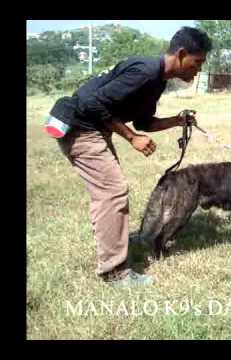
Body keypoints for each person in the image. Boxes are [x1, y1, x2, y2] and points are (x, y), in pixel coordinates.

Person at [49, 27, 212, 287]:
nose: (199, 70)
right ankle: (114, 272)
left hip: (94, 128)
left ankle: (116, 245)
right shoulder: (146, 71)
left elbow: (144, 122)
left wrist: (177, 120)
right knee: (112, 192)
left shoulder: (157, 79)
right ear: (182, 54)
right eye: (198, 62)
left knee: (110, 192)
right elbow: (91, 102)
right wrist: (131, 137)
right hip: (80, 128)